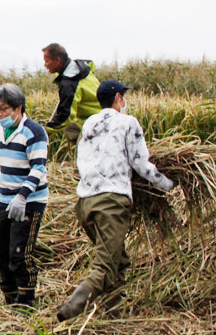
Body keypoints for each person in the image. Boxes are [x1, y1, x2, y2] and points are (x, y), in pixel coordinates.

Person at [57, 80, 175, 321]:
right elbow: (141, 164)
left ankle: (114, 313)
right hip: (110, 203)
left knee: (117, 260)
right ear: (119, 98)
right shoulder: (127, 123)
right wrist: (168, 185)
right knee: (104, 267)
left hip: (85, 203)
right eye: (124, 97)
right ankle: (69, 310)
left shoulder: (90, 124)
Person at [0, 83, 49, 308]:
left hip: (29, 201)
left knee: (19, 253)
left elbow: (38, 168)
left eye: (4, 109)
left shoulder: (33, 132)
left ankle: (25, 303)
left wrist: (22, 196)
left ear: (18, 108)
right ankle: (10, 298)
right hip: (4, 199)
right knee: (1, 252)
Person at [42, 43, 101, 145]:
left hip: (96, 123)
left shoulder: (69, 84)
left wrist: (46, 131)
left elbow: (66, 115)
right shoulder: (81, 68)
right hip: (104, 114)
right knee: (71, 129)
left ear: (57, 61)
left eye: (47, 61)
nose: (45, 65)